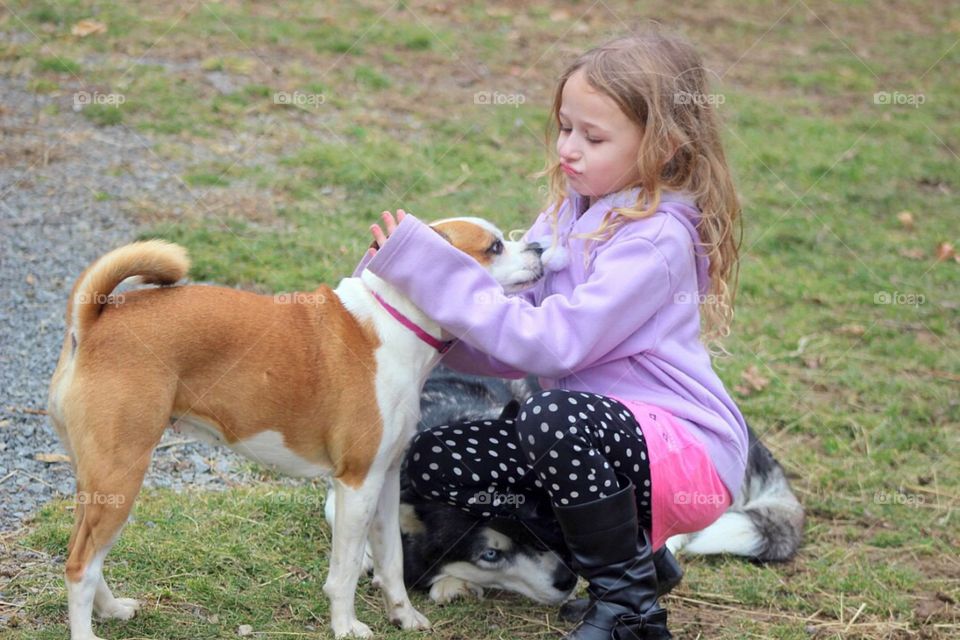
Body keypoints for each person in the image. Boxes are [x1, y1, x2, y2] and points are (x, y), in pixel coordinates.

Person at [357, 31, 748, 640]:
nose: (568, 148)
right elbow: (506, 331)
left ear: (664, 145)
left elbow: (550, 343)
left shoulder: (655, 239)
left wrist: (433, 271)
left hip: (685, 456)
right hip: (601, 443)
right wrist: (413, 316)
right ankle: (638, 559)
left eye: (593, 137)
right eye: (565, 127)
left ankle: (629, 611)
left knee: (552, 417)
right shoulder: (573, 210)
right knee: (433, 461)